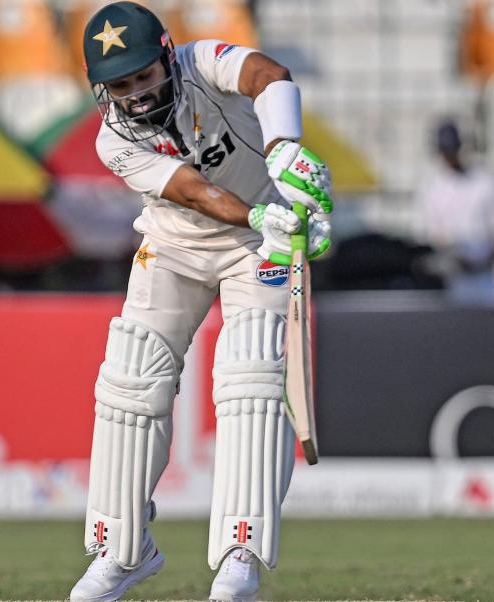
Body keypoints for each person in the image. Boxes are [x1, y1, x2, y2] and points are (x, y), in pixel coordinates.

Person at [70, 3, 333, 601]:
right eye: (120, 85)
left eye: (143, 77)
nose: (135, 95)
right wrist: (267, 216)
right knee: (131, 379)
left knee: (251, 377)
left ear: (166, 56)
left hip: (255, 246)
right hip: (176, 240)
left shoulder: (203, 60)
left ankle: (240, 554)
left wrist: (286, 152)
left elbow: (270, 75)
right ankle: (121, 550)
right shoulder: (114, 142)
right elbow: (194, 191)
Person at [413, 120, 494, 304]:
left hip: (485, 279)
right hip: (450, 281)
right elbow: (428, 233)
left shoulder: (485, 181)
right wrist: (453, 255)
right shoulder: (432, 187)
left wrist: (483, 260)